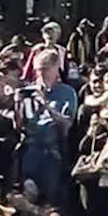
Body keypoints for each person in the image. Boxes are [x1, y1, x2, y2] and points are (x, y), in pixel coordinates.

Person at [14, 50, 77, 206]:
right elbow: (18, 126)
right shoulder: (29, 91)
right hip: (30, 148)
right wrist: (17, 105)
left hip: (52, 151)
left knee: (50, 199)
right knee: (27, 194)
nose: (41, 75)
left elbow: (67, 125)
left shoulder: (66, 92)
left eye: (45, 69)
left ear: (56, 68)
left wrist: (45, 104)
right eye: (38, 70)